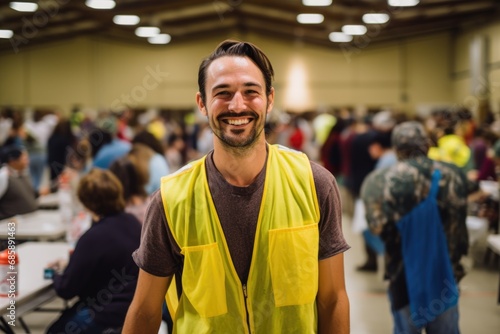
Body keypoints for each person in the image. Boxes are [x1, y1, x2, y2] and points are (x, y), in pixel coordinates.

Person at [123, 40, 350, 333]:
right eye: (223, 93)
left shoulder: (313, 184)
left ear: (269, 99)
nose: (238, 105)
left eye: (250, 92)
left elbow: (333, 300)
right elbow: (144, 311)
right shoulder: (171, 200)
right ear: (202, 103)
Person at [361, 121, 469, 334]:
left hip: (404, 274)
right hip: (445, 273)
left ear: (396, 148)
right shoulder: (453, 174)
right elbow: (460, 221)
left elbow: (375, 227)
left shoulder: (379, 180)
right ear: (427, 145)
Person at [46, 169, 142, 333]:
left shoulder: (92, 237)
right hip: (136, 308)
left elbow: (66, 289)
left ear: (86, 202)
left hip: (105, 314)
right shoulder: (133, 223)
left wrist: (54, 274)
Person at [0, 144, 38, 220]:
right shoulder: (4, 176)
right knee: (11, 232)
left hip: (27, 221)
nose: (27, 161)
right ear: (13, 161)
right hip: (10, 223)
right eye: (24, 159)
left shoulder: (24, 173)